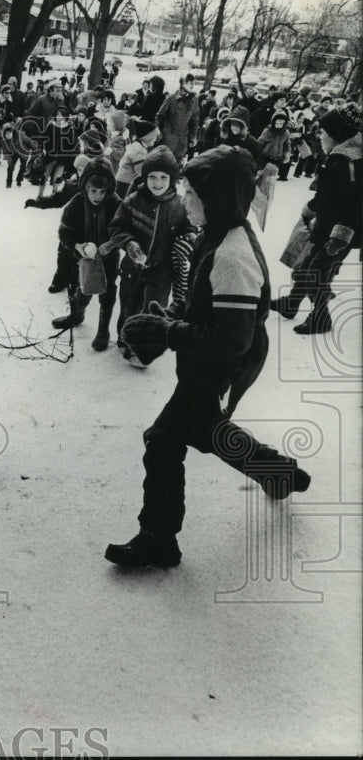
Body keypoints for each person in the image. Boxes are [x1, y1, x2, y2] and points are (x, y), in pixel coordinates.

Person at [107, 145, 311, 568]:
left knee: (161, 442)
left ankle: (159, 539)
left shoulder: (234, 255)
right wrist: (174, 316)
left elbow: (231, 338)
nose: (184, 199)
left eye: (192, 193)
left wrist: (171, 333)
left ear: (216, 199)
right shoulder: (215, 234)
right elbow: (205, 305)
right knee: (207, 431)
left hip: (219, 365)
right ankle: (280, 474)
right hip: (206, 360)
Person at [271, 104, 362, 334]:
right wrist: (312, 208)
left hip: (341, 232)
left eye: (323, 133)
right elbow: (328, 194)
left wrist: (340, 239)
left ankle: (321, 318)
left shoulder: (348, 163)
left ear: (336, 136)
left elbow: (353, 204)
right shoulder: (338, 157)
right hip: (326, 224)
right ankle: (291, 304)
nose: (320, 137)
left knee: (316, 272)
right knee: (306, 267)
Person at [106, 146, 189, 366]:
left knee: (153, 311)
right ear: (145, 177)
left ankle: (143, 351)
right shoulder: (134, 200)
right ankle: (125, 339)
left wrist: (188, 240)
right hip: (132, 268)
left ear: (172, 178)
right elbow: (116, 227)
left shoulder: (179, 206)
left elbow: (188, 230)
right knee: (128, 306)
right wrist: (129, 243)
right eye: (152, 176)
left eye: (163, 177)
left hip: (162, 271)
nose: (157, 182)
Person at [50, 158, 122, 352]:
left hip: (109, 256)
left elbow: (124, 230)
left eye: (102, 191)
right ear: (85, 188)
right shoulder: (76, 204)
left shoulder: (116, 204)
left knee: (107, 291)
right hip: (85, 257)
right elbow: (65, 231)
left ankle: (103, 329)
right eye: (93, 191)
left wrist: (111, 245)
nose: (97, 196)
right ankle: (77, 314)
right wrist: (76, 246)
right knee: (83, 288)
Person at [156, 74, 200, 165]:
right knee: (165, 163)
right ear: (183, 84)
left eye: (193, 83)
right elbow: (159, 116)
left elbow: (194, 119)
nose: (192, 86)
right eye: (189, 83)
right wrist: (159, 132)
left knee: (177, 164)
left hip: (182, 139)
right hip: (169, 138)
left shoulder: (194, 100)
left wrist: (193, 136)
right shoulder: (171, 99)